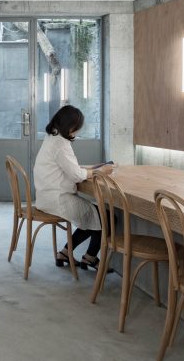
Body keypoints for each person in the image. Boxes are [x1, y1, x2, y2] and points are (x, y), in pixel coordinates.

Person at [33, 105, 114, 270]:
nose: (77, 132)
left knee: (94, 216)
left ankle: (65, 253)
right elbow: (76, 175)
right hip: (58, 200)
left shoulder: (51, 137)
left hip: (46, 197)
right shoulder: (61, 144)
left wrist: (90, 170)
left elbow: (69, 169)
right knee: (106, 217)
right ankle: (90, 257)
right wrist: (100, 172)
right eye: (76, 128)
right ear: (70, 126)